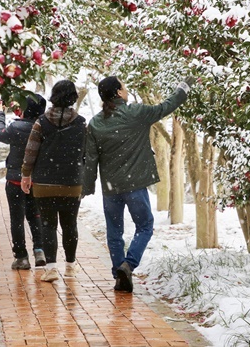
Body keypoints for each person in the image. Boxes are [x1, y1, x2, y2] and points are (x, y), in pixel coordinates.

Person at [83, 75, 192, 293]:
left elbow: (90, 159)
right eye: (123, 87)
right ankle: (129, 265)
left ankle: (119, 276)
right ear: (118, 93)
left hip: (111, 188)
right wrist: (184, 87)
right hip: (135, 185)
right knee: (145, 226)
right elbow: (166, 107)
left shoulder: (95, 123)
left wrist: (87, 187)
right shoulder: (136, 113)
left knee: (114, 232)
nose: (126, 89)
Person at [20, 80, 86, 283]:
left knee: (48, 225)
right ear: (73, 97)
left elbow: (31, 151)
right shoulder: (81, 122)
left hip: (44, 183)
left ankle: (50, 269)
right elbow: (86, 153)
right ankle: (71, 267)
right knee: (70, 224)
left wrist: (25, 174)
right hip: (72, 182)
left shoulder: (41, 122)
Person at [0, 95, 47, 270]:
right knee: (35, 215)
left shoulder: (16, 127)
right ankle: (40, 250)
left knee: (17, 218)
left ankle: (22, 257)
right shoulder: (45, 128)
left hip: (16, 180)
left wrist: (0, 114)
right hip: (37, 181)